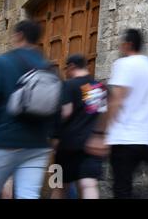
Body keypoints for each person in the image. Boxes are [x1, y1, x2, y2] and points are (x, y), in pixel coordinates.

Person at [88, 29, 148, 199]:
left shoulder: (123, 64)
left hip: (125, 138)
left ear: (128, 44)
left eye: (122, 43)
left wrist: (101, 133)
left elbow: (115, 101)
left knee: (122, 188)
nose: (120, 46)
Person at [0, 20, 55, 199]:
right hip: (38, 145)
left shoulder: (2, 63)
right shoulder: (49, 69)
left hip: (4, 142)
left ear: (19, 35)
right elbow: (57, 109)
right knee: (28, 195)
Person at [51, 54, 107, 199]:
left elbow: (66, 112)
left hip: (68, 144)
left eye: (66, 68)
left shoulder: (69, 85)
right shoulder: (98, 87)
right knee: (89, 185)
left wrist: (54, 136)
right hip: (92, 143)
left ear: (72, 67)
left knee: (58, 185)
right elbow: (103, 113)